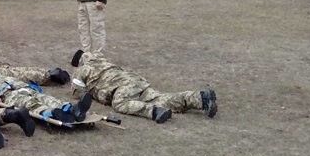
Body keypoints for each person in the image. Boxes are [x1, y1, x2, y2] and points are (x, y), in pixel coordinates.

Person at [71, 50, 217, 123]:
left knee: (120, 103)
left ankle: (153, 112)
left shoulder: (83, 69)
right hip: (136, 81)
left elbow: (77, 91)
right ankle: (200, 98)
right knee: (161, 98)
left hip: (120, 87)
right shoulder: (103, 60)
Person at [0, 71, 93, 126]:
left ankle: (72, 108)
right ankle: (54, 112)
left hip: (14, 88)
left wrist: (20, 85)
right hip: (7, 94)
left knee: (41, 96)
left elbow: (4, 78)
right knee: (31, 103)